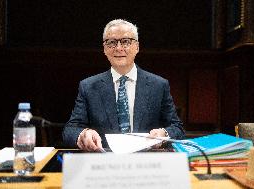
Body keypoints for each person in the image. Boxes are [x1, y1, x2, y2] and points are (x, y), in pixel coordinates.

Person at [63, 19, 185, 151]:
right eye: (112, 43)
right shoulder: (88, 86)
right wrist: (83, 134)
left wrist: (163, 134)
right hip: (104, 162)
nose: (119, 48)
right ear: (104, 49)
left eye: (126, 41)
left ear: (137, 47)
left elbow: (177, 129)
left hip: (147, 162)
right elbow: (70, 130)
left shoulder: (158, 85)